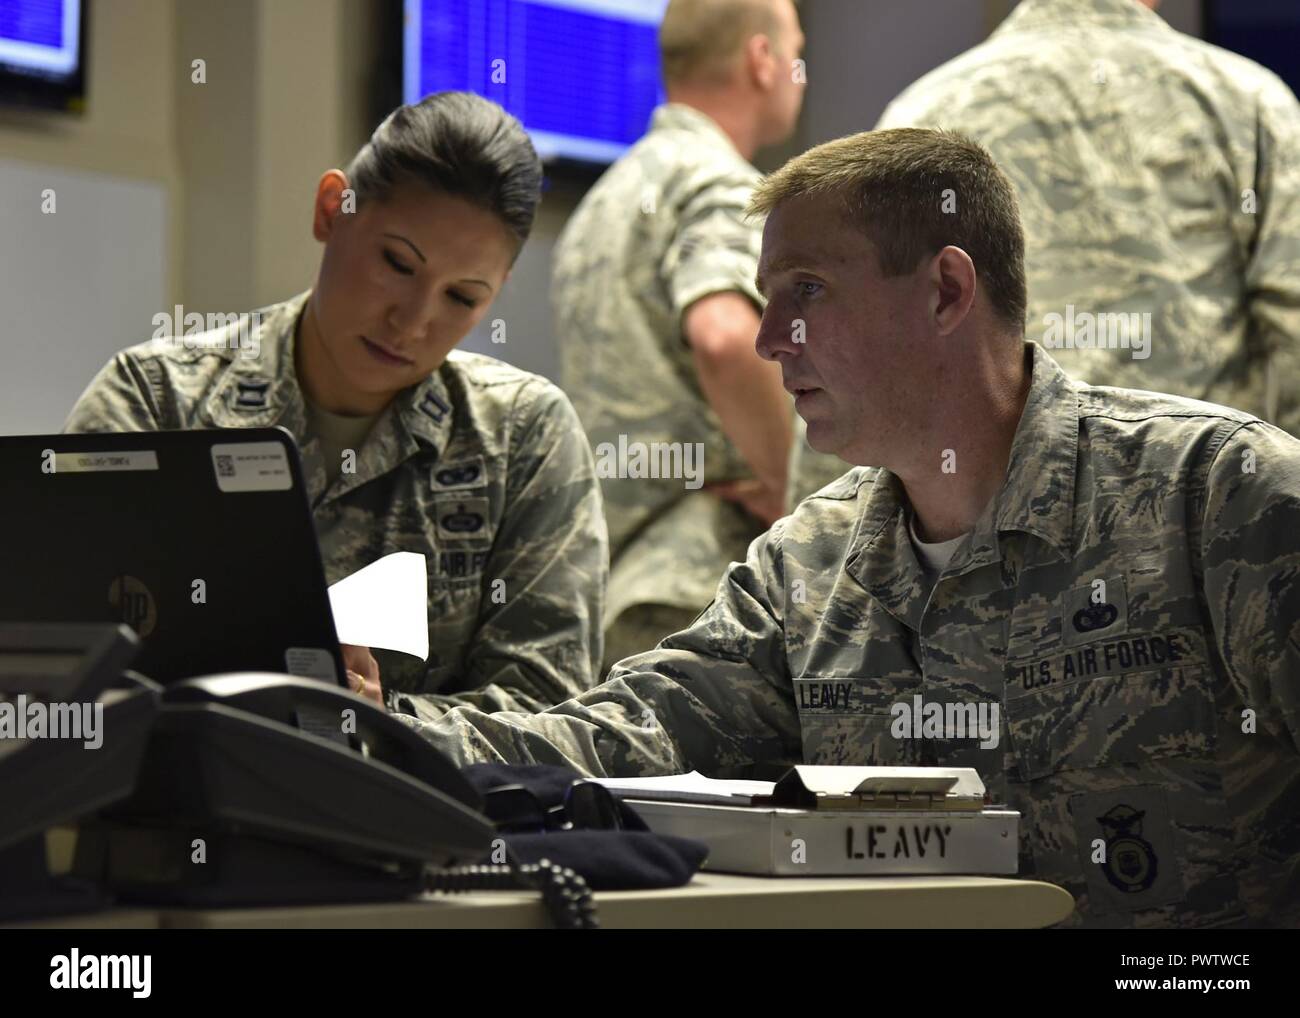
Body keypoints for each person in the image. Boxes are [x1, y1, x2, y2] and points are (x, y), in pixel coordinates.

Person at [398, 128, 1300, 929]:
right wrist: (360, 730)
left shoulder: (1219, 500)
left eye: (808, 290)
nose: (768, 338)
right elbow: (618, 736)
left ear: (948, 290)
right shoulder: (809, 570)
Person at [64, 92, 607, 721]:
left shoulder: (524, 440)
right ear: (332, 209)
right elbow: (58, 655)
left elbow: (545, 716)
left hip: (414, 817)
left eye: (461, 296)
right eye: (397, 263)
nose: (412, 321)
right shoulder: (157, 401)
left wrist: (382, 721)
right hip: (164, 804)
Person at [790, 0, 1300, 506]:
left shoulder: (928, 114)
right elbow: (1292, 325)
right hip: (1195, 511)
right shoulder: (1247, 101)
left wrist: (818, 527)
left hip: (988, 525)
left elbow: (856, 326)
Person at [553, 0, 806, 668]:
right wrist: (792, 490)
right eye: (797, 53)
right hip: (704, 584)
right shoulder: (719, 183)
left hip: (616, 587)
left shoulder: (603, 202)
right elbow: (724, 336)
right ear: (761, 59)